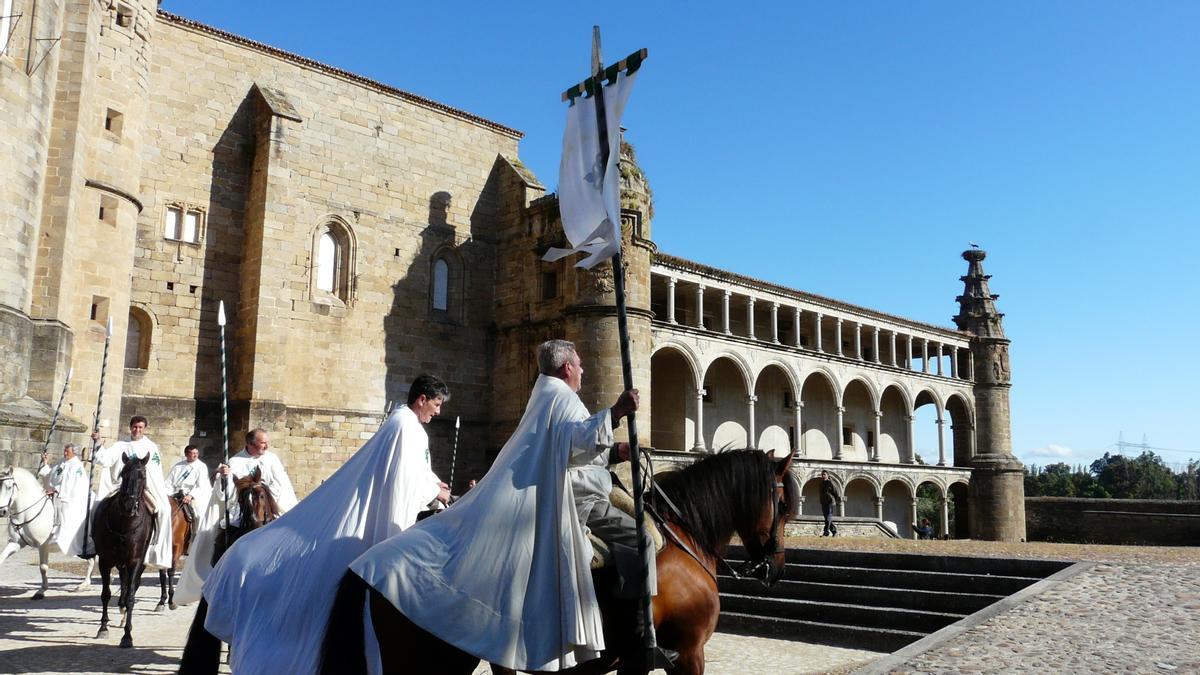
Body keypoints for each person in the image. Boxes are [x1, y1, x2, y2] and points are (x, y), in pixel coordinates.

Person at [350, 339, 639, 672]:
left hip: (569, 491)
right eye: (580, 363)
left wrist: (614, 452)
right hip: (565, 499)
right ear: (566, 368)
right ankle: (638, 631)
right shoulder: (561, 397)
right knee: (644, 540)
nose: (584, 370)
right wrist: (616, 412)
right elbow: (576, 443)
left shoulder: (545, 395)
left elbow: (568, 445)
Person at [188, 375, 452, 675]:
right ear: (421, 399)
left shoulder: (405, 425)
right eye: (436, 403)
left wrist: (433, 484)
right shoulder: (406, 426)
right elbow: (403, 478)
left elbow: (414, 471)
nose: (438, 411)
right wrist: (435, 492)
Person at [175, 427, 299, 605]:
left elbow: (282, 486)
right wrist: (225, 478)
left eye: (266, 442)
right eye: (262, 443)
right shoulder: (235, 461)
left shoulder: (272, 459)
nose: (266, 446)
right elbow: (224, 494)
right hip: (240, 508)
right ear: (249, 443)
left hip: (270, 505)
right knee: (225, 531)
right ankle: (220, 568)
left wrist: (262, 489)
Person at [90, 416, 173, 565]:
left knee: (164, 510)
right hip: (121, 486)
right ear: (130, 427)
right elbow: (105, 460)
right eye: (135, 427)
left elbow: (154, 471)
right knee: (97, 506)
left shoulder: (151, 447)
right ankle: (94, 542)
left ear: (144, 429)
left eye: (140, 427)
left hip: (143, 487)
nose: (137, 430)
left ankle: (155, 547)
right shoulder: (121, 444)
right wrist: (97, 443)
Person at [36, 444, 92, 556]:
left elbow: (72, 484)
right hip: (54, 493)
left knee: (61, 512)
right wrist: (45, 461)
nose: (65, 453)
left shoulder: (77, 466)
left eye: (67, 451)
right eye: (64, 451)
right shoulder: (61, 461)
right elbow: (51, 472)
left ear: (74, 452)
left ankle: (60, 539)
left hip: (67, 497)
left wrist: (56, 490)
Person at [166, 445, 213, 526]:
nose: (195, 455)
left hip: (193, 496)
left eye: (196, 453)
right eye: (192, 453)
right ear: (186, 454)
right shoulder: (178, 466)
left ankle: (196, 535)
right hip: (176, 494)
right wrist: (167, 494)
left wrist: (190, 495)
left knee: (199, 515)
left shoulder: (201, 466)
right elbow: (168, 483)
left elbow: (201, 485)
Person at [820, 470, 840, 537]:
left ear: (828, 475)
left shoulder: (830, 483)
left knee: (828, 517)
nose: (823, 476)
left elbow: (836, 492)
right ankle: (834, 531)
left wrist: (836, 500)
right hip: (823, 502)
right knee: (827, 518)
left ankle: (826, 532)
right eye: (822, 474)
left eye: (824, 474)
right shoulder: (821, 483)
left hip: (830, 502)